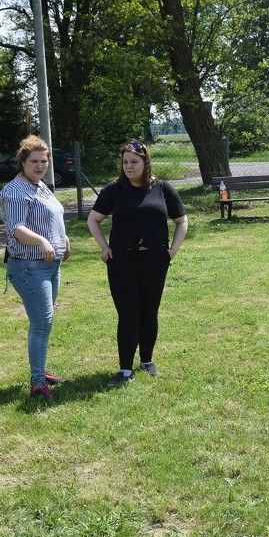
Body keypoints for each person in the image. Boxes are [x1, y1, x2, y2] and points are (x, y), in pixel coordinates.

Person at [87, 140, 188, 387]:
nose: (129, 167)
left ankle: (146, 361)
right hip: (122, 260)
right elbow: (94, 220)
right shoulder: (114, 190)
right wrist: (105, 247)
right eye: (125, 162)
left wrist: (171, 251)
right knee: (128, 312)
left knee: (149, 311)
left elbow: (181, 221)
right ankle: (124, 369)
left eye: (134, 162)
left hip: (154, 259)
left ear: (146, 162)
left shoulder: (163, 188)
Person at [0, 135, 71, 399]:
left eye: (44, 161)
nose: (40, 166)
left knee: (43, 323)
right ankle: (38, 384)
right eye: (34, 161)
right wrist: (42, 241)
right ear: (23, 162)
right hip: (28, 267)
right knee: (42, 323)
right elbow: (16, 229)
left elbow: (51, 217)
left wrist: (64, 239)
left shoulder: (40, 186)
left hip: (50, 265)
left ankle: (40, 371)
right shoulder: (14, 191)